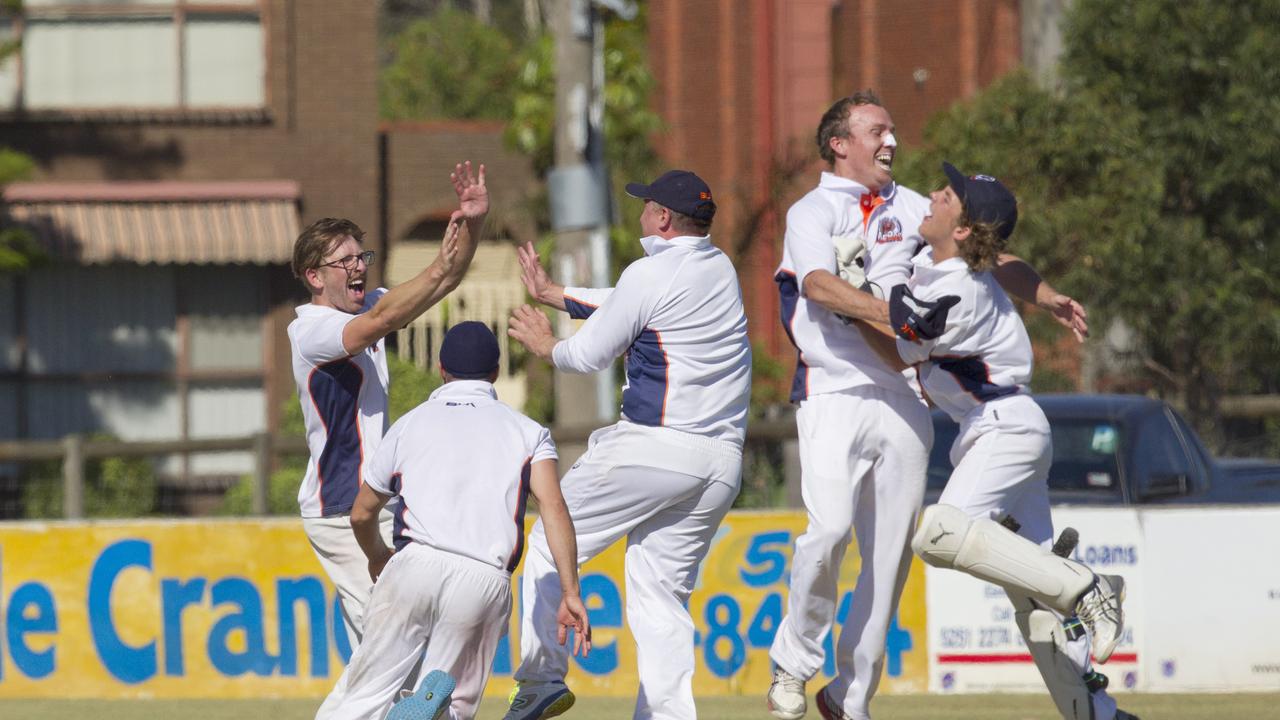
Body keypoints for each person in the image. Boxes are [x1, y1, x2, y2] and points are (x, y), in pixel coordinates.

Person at [766, 92, 1089, 720]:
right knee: (828, 532)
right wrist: (883, 313)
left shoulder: (913, 205)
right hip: (833, 389)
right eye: (876, 131)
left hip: (904, 396)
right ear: (839, 143)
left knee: (890, 562)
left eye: (891, 131)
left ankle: (849, 699)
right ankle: (793, 664)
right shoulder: (809, 211)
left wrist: (1043, 294)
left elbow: (990, 254)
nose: (892, 141)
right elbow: (814, 284)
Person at [848, 162, 1136, 720]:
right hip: (1005, 432)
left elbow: (902, 342)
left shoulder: (956, 288)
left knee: (938, 534)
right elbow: (909, 340)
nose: (933, 194)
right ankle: (1100, 712)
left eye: (948, 195)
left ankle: (1088, 586)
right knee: (1035, 607)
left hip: (1005, 431)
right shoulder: (945, 271)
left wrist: (845, 300)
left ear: (962, 230)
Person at [504, 170, 752, 720]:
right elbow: (625, 302)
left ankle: (541, 677)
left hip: (653, 448)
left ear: (663, 218)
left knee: (548, 537)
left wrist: (548, 347)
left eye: (645, 206)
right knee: (660, 597)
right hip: (719, 465)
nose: (639, 213)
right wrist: (555, 294)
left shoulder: (650, 272)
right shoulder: (720, 268)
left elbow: (589, 355)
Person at [316, 321, 591, 720]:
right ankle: (437, 709)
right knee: (457, 708)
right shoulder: (529, 433)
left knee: (362, 695)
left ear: (442, 370)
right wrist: (569, 591)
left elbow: (362, 512)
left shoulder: (411, 423)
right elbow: (554, 508)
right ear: (495, 373)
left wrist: (377, 557)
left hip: (413, 565)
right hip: (483, 578)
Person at [287, 162, 486, 702]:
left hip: (376, 502)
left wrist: (472, 224)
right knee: (388, 644)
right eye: (344, 260)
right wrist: (438, 263)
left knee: (389, 646)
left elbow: (446, 278)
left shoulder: (368, 305)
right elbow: (381, 323)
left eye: (361, 257)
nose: (358, 267)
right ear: (314, 275)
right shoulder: (311, 330)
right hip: (338, 509)